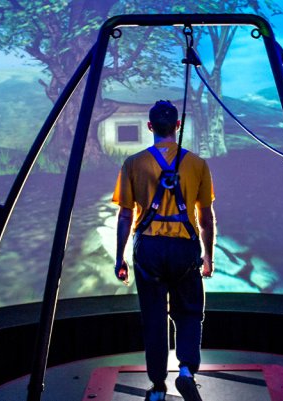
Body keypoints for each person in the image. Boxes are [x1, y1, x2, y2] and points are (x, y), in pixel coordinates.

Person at [112, 100, 216, 401]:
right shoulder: (197, 164)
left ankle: (158, 386)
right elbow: (205, 217)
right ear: (177, 126)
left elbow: (125, 215)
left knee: (154, 318)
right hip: (184, 247)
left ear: (149, 127)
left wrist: (120, 257)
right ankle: (186, 370)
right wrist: (207, 256)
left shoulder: (133, 163)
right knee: (189, 312)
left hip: (150, 250)